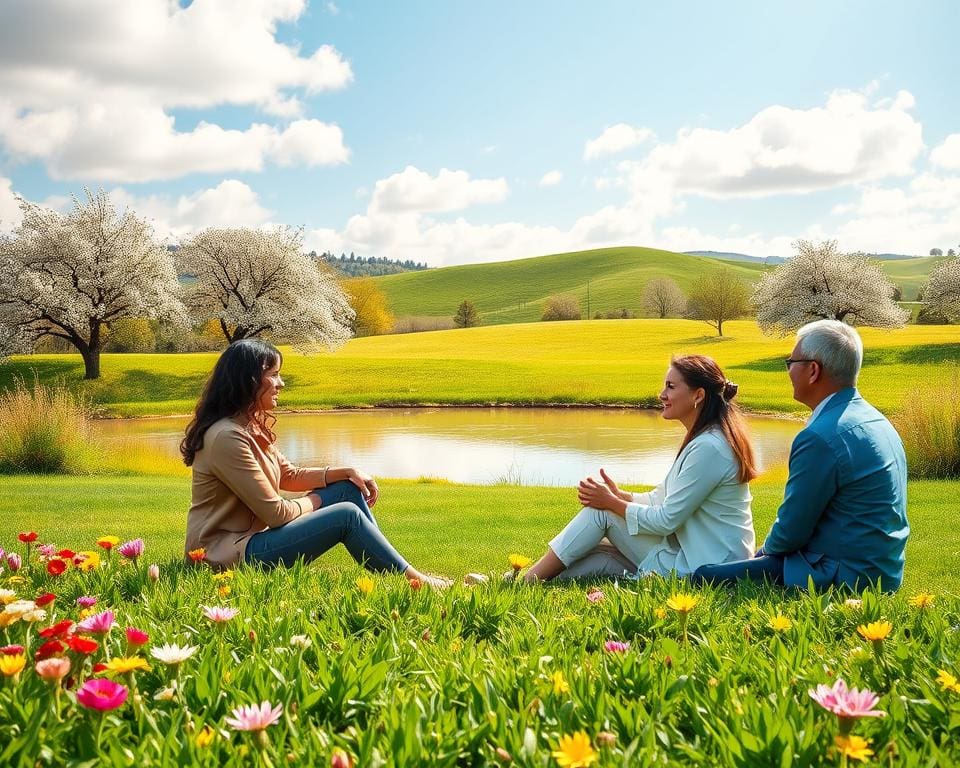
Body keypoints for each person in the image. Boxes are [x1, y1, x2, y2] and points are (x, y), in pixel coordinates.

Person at [182, 338, 450, 587]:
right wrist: (318, 501)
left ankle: (399, 570)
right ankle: (416, 582)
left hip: (248, 543)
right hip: (224, 556)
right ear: (249, 381)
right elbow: (276, 515)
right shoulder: (227, 436)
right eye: (273, 375)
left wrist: (346, 471)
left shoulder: (247, 426)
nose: (281, 383)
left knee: (347, 488)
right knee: (346, 515)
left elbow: (289, 475)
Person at [693, 319, 909, 592]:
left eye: (791, 362)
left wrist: (761, 555)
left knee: (704, 576)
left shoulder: (820, 436)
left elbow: (790, 534)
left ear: (813, 371)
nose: (789, 371)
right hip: (882, 573)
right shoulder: (877, 421)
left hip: (843, 576)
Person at [522, 354, 758, 583]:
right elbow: (661, 498)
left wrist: (611, 503)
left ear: (698, 395)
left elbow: (666, 520)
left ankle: (524, 581)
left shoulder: (710, 447)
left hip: (708, 567)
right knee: (601, 554)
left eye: (671, 387)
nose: (662, 394)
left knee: (601, 514)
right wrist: (621, 496)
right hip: (697, 556)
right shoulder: (705, 439)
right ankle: (521, 580)